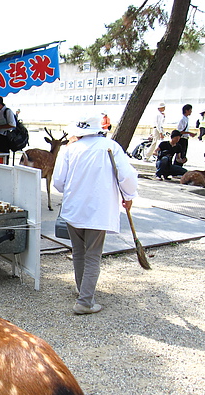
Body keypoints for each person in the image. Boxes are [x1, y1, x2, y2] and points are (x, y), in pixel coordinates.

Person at [53, 116, 138, 315]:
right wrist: (129, 195)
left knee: (79, 251)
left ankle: (82, 289)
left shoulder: (70, 149)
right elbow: (126, 176)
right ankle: (85, 301)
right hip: (98, 210)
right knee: (92, 254)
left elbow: (58, 182)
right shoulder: (110, 146)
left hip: (74, 208)